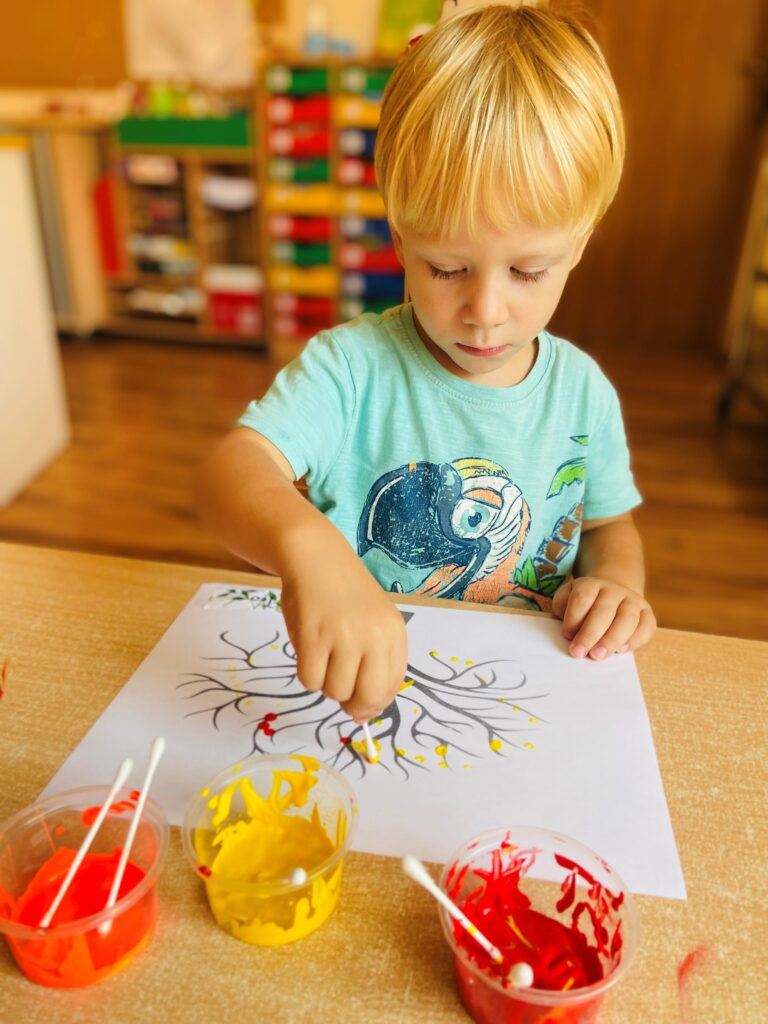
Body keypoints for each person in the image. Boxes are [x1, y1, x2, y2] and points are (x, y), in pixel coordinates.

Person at [199, 5, 656, 724]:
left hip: (525, 701)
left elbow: (607, 528)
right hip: (352, 704)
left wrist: (617, 588)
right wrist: (308, 550)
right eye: (446, 267)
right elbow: (231, 472)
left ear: (580, 243)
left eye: (528, 271)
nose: (485, 310)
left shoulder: (583, 393)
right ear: (399, 236)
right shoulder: (351, 369)